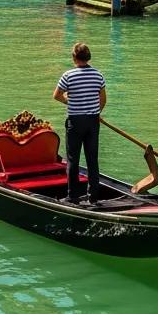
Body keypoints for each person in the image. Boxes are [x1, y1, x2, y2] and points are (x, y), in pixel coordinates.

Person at [53, 42, 106, 205]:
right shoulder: (98, 75)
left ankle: (72, 196)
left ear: (74, 58)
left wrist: (68, 101)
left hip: (75, 122)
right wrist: (96, 111)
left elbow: (56, 95)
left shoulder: (68, 75)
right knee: (92, 159)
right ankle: (93, 197)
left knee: (73, 159)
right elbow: (103, 99)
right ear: (88, 57)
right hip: (93, 121)